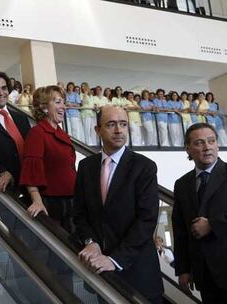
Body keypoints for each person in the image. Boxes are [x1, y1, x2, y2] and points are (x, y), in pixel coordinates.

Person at [73, 106, 163, 303]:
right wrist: (90, 242)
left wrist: (115, 260)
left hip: (138, 273)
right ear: (97, 130)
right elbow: (79, 214)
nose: (119, 130)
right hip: (101, 272)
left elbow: (146, 220)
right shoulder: (86, 166)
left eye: (123, 124)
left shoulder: (144, 167)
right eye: (111, 124)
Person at [172, 123, 227, 303]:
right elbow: (180, 229)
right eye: (199, 143)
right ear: (188, 148)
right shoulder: (182, 184)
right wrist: (183, 269)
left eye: (211, 141)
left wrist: (212, 224)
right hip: (204, 274)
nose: (207, 147)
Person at [20, 85, 76, 228]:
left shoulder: (63, 134)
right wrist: (37, 200)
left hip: (71, 202)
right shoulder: (37, 133)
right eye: (58, 102)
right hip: (52, 204)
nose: (63, 106)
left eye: (63, 102)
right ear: (44, 108)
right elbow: (31, 171)